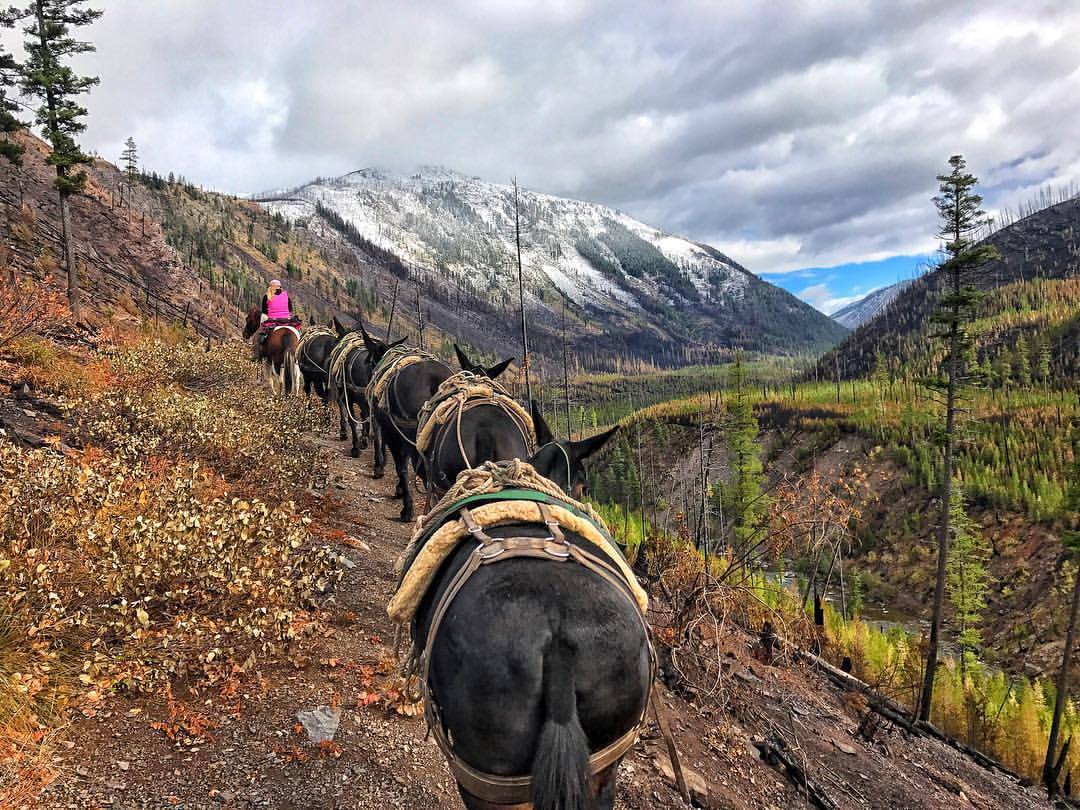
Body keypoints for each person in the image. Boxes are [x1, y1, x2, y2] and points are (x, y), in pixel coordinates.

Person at [251, 279, 300, 359]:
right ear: (280, 287)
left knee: (259, 334)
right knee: (297, 331)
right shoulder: (286, 295)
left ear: (271, 287)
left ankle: (257, 354)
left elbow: (264, 311)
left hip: (273, 320)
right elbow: (290, 309)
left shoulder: (267, 296)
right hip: (286, 319)